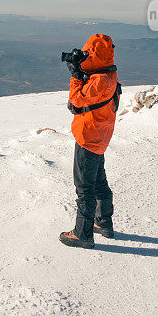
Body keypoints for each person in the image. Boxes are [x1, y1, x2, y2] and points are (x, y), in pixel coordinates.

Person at [59, 33, 122, 249]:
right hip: (100, 136)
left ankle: (82, 234)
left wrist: (76, 75)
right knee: (99, 181)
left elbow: (76, 99)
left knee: (84, 186)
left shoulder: (100, 80)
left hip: (89, 137)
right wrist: (82, 70)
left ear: (94, 55)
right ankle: (103, 222)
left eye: (88, 54)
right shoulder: (108, 74)